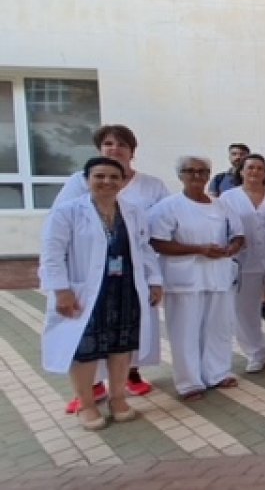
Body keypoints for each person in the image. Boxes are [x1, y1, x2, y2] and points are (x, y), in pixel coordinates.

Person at [40, 157, 163, 430]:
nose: (107, 182)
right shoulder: (68, 212)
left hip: (125, 288)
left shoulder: (132, 211)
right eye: (99, 176)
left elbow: (144, 249)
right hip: (86, 292)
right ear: (87, 180)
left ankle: (118, 399)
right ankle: (86, 404)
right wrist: (61, 290)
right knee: (85, 348)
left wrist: (155, 281)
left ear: (122, 181)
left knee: (122, 344)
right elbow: (51, 254)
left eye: (114, 177)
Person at [149, 156, 245, 400]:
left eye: (202, 171)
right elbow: (157, 242)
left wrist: (232, 247)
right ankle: (189, 382)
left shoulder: (221, 205)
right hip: (185, 278)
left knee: (219, 327)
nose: (196, 176)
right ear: (180, 175)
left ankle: (217, 373)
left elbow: (239, 234)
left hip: (219, 275)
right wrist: (198, 249)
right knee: (185, 331)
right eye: (190, 171)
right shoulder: (167, 207)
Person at [219, 154, 265, 373]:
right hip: (244, 260)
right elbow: (222, 228)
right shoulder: (228, 198)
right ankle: (255, 353)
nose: (255, 172)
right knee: (245, 308)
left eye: (260, 168)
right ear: (242, 171)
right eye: (250, 167)